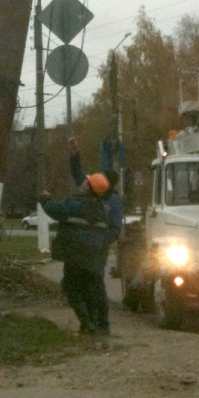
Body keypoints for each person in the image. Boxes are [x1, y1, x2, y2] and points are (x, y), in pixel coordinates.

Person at [40, 170, 113, 335]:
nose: (83, 184)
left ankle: (87, 323)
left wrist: (45, 198)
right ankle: (102, 325)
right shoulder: (103, 209)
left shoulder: (76, 204)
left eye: (86, 183)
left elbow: (54, 209)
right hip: (95, 257)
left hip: (75, 255)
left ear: (88, 188)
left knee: (71, 288)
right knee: (95, 289)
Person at [68, 136, 122, 333]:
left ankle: (101, 323)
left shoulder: (113, 202)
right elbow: (78, 175)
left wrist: (100, 242)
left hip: (96, 249)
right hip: (83, 248)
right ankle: (90, 323)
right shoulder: (95, 190)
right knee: (83, 284)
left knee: (94, 285)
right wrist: (74, 154)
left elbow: (115, 228)